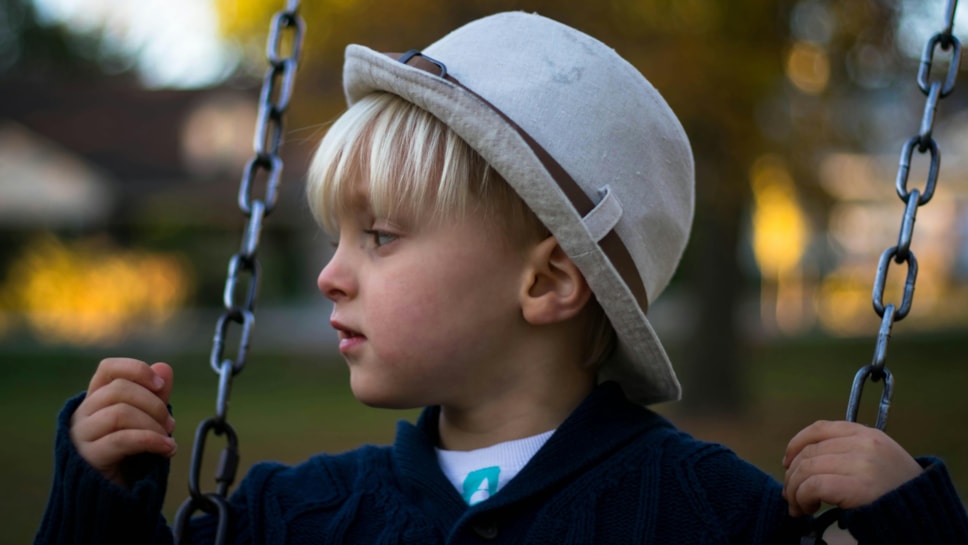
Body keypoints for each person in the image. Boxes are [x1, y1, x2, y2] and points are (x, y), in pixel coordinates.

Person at [35, 11, 968, 545]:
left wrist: (911, 530)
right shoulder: (295, 515)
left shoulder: (710, 516)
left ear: (549, 283)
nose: (329, 275)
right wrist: (95, 504)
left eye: (382, 236)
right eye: (338, 237)